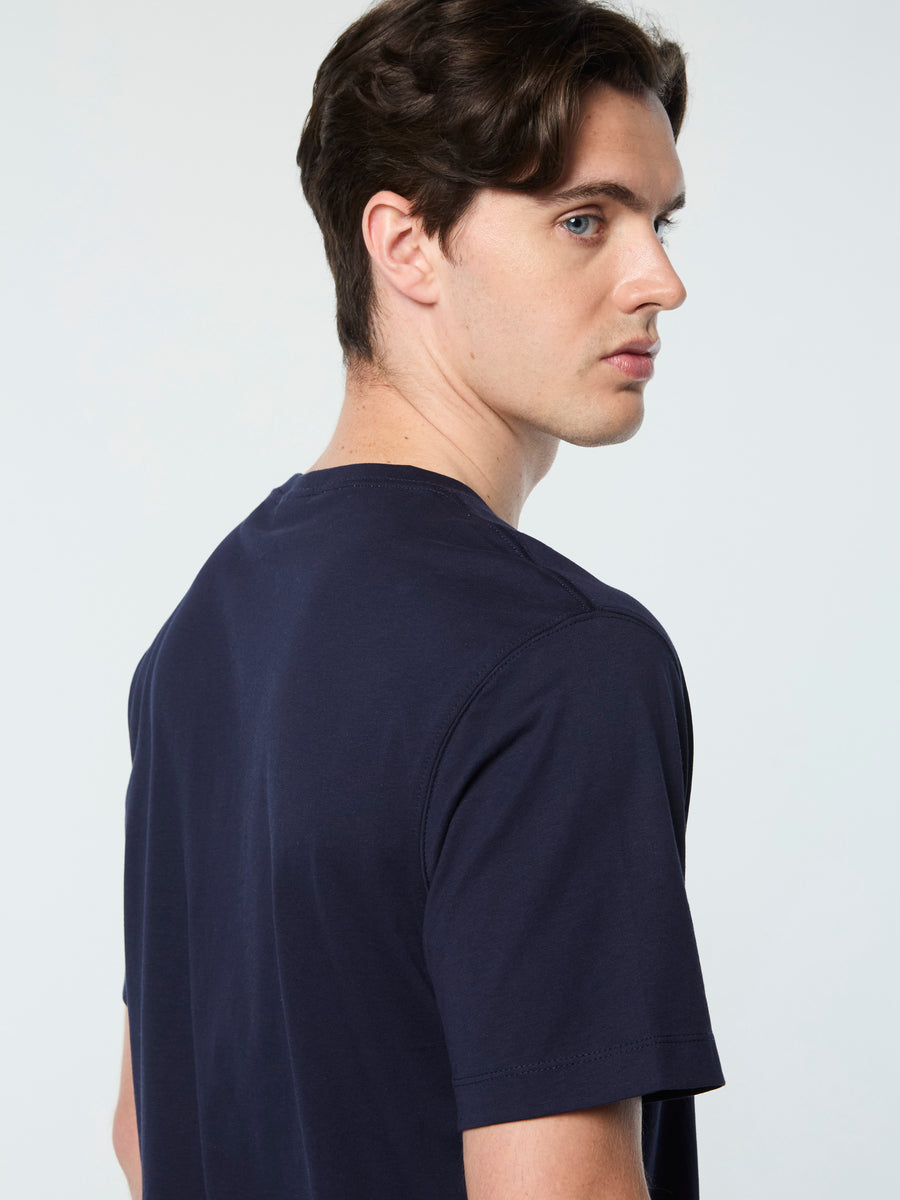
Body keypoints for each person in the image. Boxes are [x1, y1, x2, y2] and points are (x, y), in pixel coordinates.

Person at [113, 0, 726, 1196]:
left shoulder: (199, 636)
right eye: (585, 219)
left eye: (658, 221)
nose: (661, 280)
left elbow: (147, 1129)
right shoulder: (559, 661)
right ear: (405, 245)